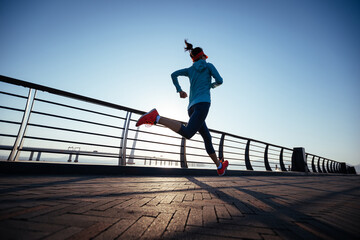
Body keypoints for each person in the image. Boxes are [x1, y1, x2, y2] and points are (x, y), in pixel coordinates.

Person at [136, 40, 229, 176]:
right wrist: (210, 86)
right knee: (188, 133)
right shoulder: (209, 66)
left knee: (207, 138)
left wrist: (180, 90)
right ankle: (156, 117)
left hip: (191, 108)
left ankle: (220, 166)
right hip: (203, 104)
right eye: (205, 56)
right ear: (202, 56)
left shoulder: (190, 70)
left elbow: (173, 74)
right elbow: (220, 80)